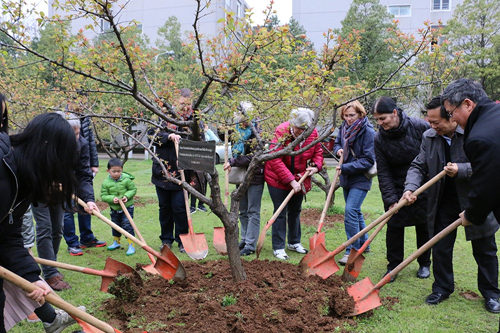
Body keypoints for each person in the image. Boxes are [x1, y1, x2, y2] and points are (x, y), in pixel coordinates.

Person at [403, 96, 500, 313]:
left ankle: (492, 293)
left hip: (475, 199)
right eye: (429, 122)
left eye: (436, 122)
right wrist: (410, 187)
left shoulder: (474, 134)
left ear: (453, 117)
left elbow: (488, 168)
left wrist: (462, 169)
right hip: (442, 200)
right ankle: (442, 288)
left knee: (485, 249)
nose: (432, 126)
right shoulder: (429, 137)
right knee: (440, 248)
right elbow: (418, 165)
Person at [0, 113, 85, 332]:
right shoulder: (3, 171)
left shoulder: (22, 178)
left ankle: (51, 320)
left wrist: (32, 277)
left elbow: (8, 237)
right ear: (47, 150)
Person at [373, 96, 431, 282]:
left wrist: (420, 187)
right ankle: (394, 266)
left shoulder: (420, 127)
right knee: (394, 227)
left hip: (423, 184)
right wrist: (390, 199)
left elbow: (431, 157)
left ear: (395, 113)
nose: (380, 123)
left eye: (384, 118)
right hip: (396, 187)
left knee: (423, 226)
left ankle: (424, 263)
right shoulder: (379, 138)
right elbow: (383, 171)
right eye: (377, 120)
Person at [264, 108, 323, 260]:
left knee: (295, 210)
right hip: (277, 178)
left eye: (305, 129)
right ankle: (278, 247)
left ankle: (294, 242)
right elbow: (274, 158)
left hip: (300, 177)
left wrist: (316, 166)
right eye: (299, 129)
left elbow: (318, 151)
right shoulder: (281, 132)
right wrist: (290, 180)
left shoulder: (312, 133)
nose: (301, 132)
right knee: (281, 211)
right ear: (292, 124)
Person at [441, 78, 500, 227]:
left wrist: (471, 215)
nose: (452, 119)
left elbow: (486, 185)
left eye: (451, 113)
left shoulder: (480, 138)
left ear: (467, 104)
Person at [333, 100, 376, 265]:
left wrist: (345, 167)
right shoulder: (343, 128)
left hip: (361, 177)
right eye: (346, 115)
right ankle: (364, 242)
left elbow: (368, 160)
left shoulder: (368, 132)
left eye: (352, 115)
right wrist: (338, 149)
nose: (349, 118)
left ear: (360, 114)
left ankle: (352, 249)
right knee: (356, 211)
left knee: (350, 210)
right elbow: (337, 142)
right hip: (347, 177)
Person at [61, 113, 106, 256]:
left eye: (78, 133)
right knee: (67, 211)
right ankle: (72, 244)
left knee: (85, 207)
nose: (77, 137)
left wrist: (90, 199)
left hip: (77, 177)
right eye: (73, 134)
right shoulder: (55, 145)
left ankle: (87, 239)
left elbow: (84, 174)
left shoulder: (83, 143)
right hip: (60, 181)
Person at [223, 102, 265, 256]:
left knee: (253, 210)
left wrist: (233, 162)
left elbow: (253, 157)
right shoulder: (237, 131)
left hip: (255, 176)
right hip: (239, 176)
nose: (243, 122)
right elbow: (230, 145)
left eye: (245, 118)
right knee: (242, 210)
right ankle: (244, 239)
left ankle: (250, 244)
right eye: (240, 119)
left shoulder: (257, 133)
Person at [101, 158, 137, 256]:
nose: (116, 173)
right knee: (115, 225)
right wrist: (112, 198)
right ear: (108, 171)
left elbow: (133, 189)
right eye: (114, 171)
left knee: (127, 225)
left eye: (119, 171)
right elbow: (103, 196)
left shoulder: (126, 179)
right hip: (115, 209)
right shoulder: (106, 183)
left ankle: (131, 244)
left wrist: (126, 196)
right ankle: (116, 242)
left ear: (122, 170)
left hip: (127, 207)